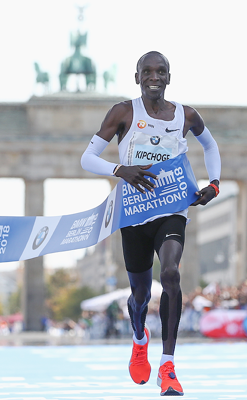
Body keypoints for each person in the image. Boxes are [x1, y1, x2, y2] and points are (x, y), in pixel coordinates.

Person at [81, 51, 221, 396]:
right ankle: (139, 337)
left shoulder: (185, 115)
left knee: (171, 273)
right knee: (140, 294)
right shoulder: (123, 112)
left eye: (161, 71)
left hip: (172, 208)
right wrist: (120, 170)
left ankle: (168, 365)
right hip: (134, 214)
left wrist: (214, 182)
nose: (154, 77)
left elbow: (210, 144)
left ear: (169, 77)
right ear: (137, 77)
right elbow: (87, 158)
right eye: (147, 71)